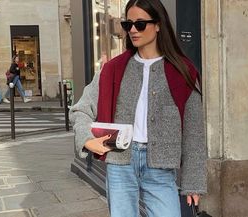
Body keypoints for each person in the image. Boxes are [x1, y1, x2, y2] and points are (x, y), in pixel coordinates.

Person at [69, 0, 207, 216]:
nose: (133, 30)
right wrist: (86, 140)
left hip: (161, 167)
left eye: (140, 24)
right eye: (128, 24)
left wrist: (194, 182)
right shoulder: (113, 69)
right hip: (120, 163)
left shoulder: (182, 71)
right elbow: (81, 110)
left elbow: (194, 133)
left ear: (158, 25)